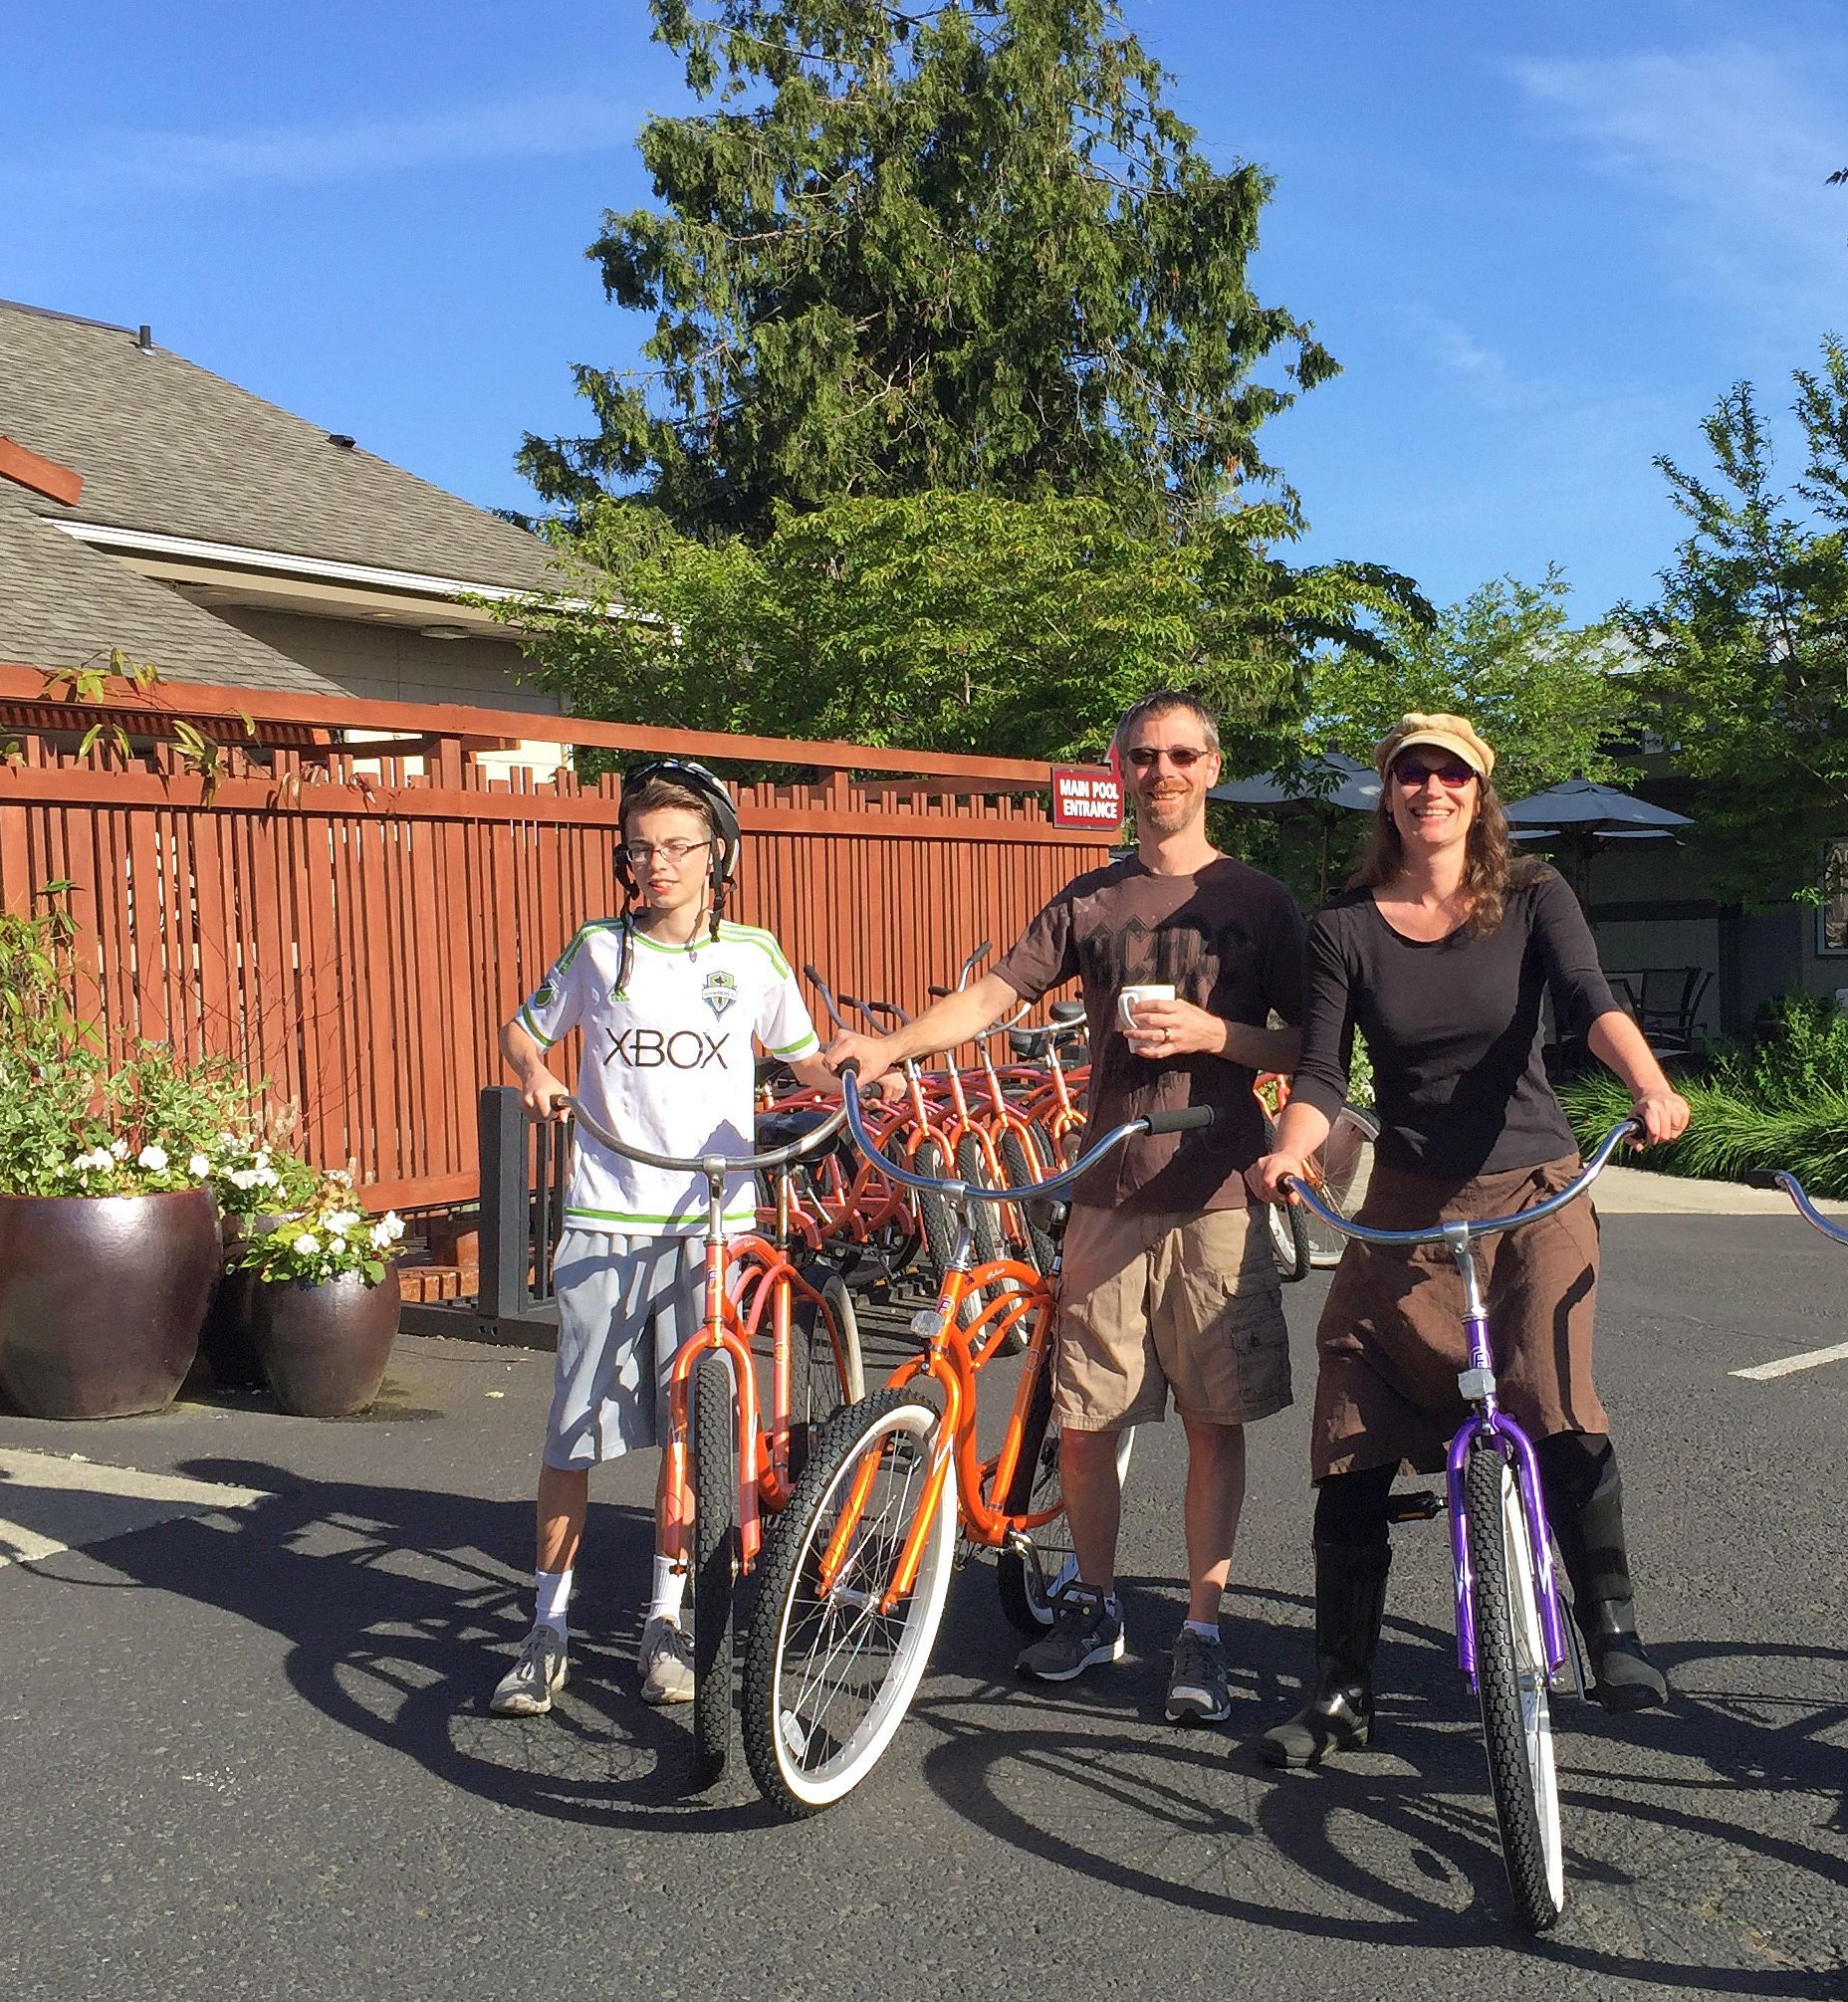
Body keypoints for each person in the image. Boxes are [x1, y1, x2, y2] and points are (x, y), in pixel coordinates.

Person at [827, 691, 1305, 1727]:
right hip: (1106, 1192)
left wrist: (1217, 1038)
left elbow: (1309, 1048)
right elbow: (995, 995)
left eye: (1182, 755)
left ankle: (1205, 1630)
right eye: (1144, 756)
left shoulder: (1261, 902)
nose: (1163, 773)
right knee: (1084, 1424)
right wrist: (891, 1046)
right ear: (1119, 767)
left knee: (1215, 1425)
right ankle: (1096, 1603)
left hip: (1217, 1193)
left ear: (1212, 768)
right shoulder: (1089, 901)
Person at [1245, 713, 1690, 1766]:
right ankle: (1342, 1693)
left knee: (1553, 1385)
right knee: (1349, 1412)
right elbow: (1318, 1071)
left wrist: (1650, 1084)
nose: (1430, 789)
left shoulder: (1533, 894)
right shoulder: (1343, 923)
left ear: (1480, 795)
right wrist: (1292, 1150)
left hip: (1533, 1187)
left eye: (1451, 774)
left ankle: (1614, 1636)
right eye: (1410, 773)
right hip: (1405, 1202)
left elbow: (1587, 1001)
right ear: (1387, 794)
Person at [489, 758, 855, 1718]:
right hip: (610, 1218)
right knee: (574, 1435)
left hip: (717, 1226)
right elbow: (521, 1033)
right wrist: (535, 1074)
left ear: (716, 855)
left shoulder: (757, 958)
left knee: (694, 1438)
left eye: (678, 847)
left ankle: (664, 1618)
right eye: (642, 849)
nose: (658, 865)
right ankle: (548, 1626)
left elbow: (805, 1060)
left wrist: (862, 1081)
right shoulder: (597, 951)